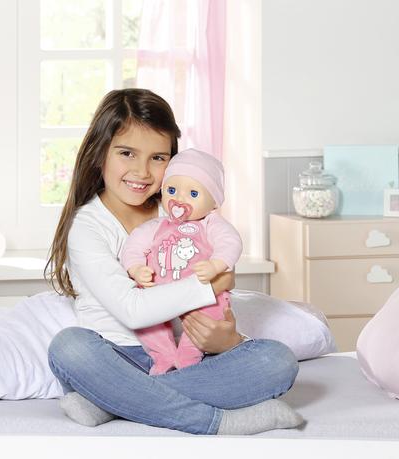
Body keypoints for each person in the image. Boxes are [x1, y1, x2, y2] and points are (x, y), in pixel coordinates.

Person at [45, 88, 302, 435]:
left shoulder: (181, 209)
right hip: (116, 360)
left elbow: (219, 263)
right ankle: (216, 422)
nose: (142, 171)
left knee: (277, 361)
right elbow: (133, 310)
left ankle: (110, 404)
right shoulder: (87, 227)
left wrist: (228, 341)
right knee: (68, 347)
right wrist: (210, 285)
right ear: (99, 152)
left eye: (158, 157)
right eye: (126, 153)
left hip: (188, 360)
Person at [121, 148, 242, 375]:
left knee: (208, 319)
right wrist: (136, 268)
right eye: (172, 190)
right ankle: (164, 359)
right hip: (158, 295)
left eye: (193, 194)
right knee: (147, 323)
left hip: (204, 293)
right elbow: (133, 246)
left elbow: (231, 242)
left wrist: (216, 265)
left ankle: (188, 361)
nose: (179, 199)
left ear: (213, 203)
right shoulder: (157, 226)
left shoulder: (211, 223)